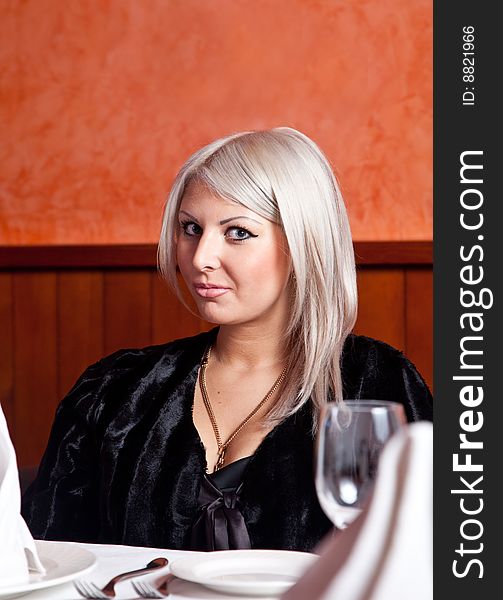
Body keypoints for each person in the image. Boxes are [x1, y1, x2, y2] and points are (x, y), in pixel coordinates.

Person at [22, 127, 432, 552]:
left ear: (303, 243)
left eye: (237, 232)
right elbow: (47, 559)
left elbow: (429, 559)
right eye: (190, 228)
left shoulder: (378, 385)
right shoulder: (114, 389)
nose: (200, 258)